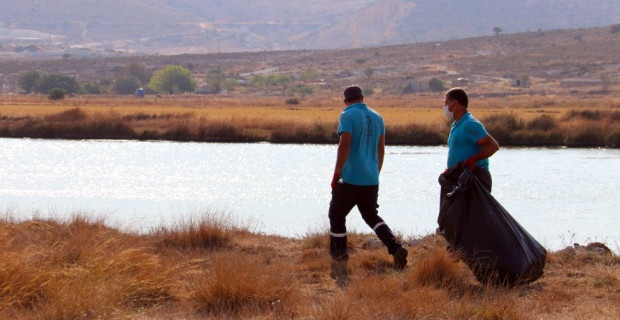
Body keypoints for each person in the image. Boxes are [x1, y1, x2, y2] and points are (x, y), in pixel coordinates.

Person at [328, 85, 408, 282]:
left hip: (350, 179)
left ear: (345, 100)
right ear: (362, 98)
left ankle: (339, 258)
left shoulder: (347, 115)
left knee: (336, 214)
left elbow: (344, 145)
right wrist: (375, 173)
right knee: (371, 215)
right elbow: (381, 150)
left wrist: (336, 173)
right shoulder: (377, 117)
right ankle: (395, 247)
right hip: (371, 179)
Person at [442, 87, 499, 191]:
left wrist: (474, 159)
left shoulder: (469, 124)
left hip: (474, 177)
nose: (445, 107)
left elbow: (492, 146)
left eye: (447, 103)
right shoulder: (456, 125)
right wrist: (451, 169)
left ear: (455, 103)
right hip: (460, 177)